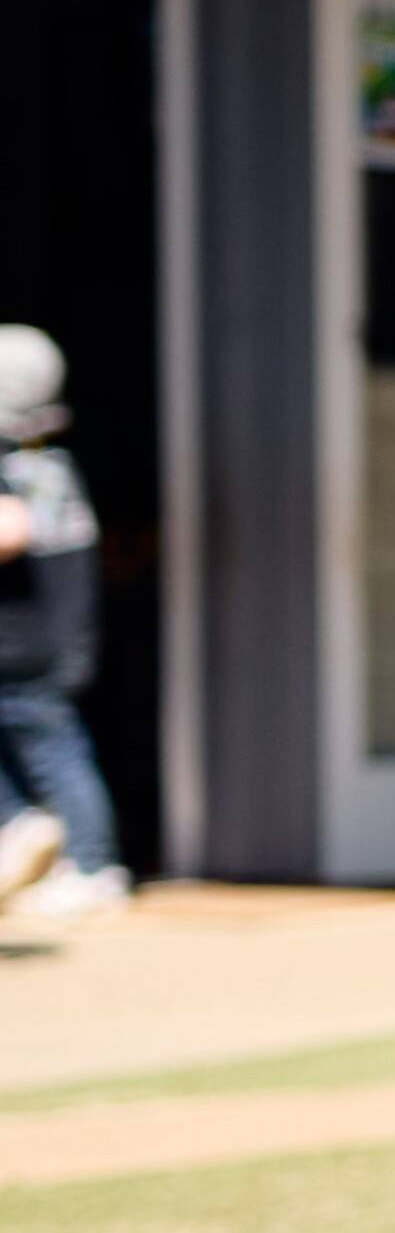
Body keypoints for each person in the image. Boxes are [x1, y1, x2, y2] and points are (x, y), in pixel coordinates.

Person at [0, 324, 129, 926]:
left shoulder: (22, 465)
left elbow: (12, 530)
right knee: (54, 746)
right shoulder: (48, 462)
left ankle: (90, 865)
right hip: (51, 639)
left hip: (28, 645)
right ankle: (43, 843)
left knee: (53, 750)